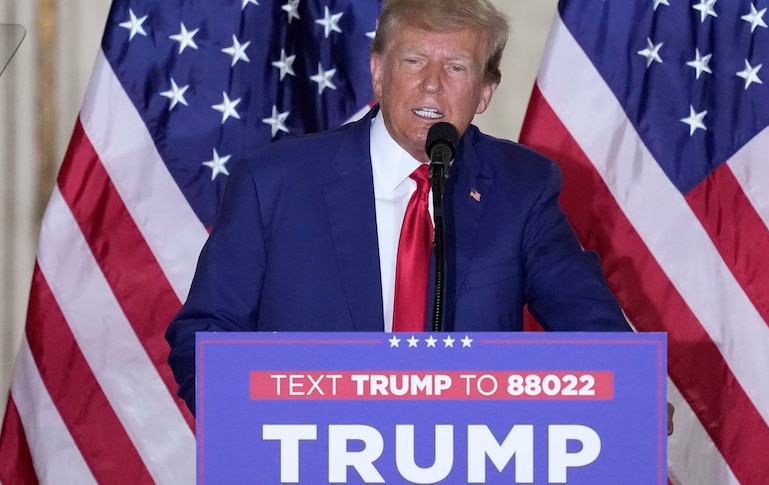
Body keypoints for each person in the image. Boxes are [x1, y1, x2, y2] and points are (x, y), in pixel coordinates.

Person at [165, 0, 632, 414]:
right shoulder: (274, 183)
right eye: (413, 60)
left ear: (485, 92)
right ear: (378, 71)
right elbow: (207, 334)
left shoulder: (521, 187)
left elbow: (588, 320)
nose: (431, 86)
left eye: (456, 67)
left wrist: (633, 390)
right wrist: (255, 423)